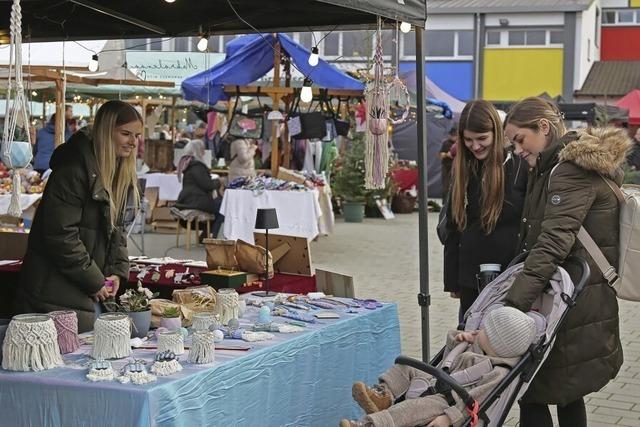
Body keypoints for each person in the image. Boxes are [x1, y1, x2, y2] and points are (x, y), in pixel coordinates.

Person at [503, 97, 627, 427]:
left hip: (568, 301)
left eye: (519, 139)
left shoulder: (567, 172)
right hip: (576, 298)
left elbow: (552, 243)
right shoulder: (555, 167)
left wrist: (513, 304)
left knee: (534, 392)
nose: (517, 150)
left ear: (543, 127)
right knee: (565, 392)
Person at [16, 100, 142, 333]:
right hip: (54, 292)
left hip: (82, 291)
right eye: (126, 134)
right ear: (106, 132)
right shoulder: (73, 170)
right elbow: (61, 235)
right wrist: (94, 281)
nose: (133, 142)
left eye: (137, 135)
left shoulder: (115, 171)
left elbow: (116, 231)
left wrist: (116, 272)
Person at [340, 306, 538, 427]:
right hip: (439, 380)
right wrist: (459, 339)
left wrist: (449, 418)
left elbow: (478, 398)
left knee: (414, 408)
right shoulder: (480, 346)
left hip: (448, 402)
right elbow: (447, 360)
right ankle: (383, 396)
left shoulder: (497, 371)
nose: (480, 330)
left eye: (486, 330)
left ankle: (371, 425)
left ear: (497, 343)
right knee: (406, 367)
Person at [443, 100, 527, 320]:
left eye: (482, 138)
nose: (475, 146)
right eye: (468, 140)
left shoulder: (518, 166)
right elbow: (453, 226)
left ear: (496, 133)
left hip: (510, 277)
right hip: (470, 279)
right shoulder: (463, 169)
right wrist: (453, 280)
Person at [176, 139, 224, 241]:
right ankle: (211, 237)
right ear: (198, 150)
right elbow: (208, 185)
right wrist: (219, 181)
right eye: (202, 149)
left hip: (189, 199)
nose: (204, 152)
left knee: (219, 205)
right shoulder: (197, 166)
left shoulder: (190, 165)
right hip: (195, 201)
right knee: (223, 207)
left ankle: (206, 234)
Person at [33, 105, 73, 174]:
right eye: (71, 111)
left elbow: (35, 150)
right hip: (54, 167)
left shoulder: (41, 132)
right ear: (63, 123)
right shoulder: (66, 135)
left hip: (38, 165)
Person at [439, 126, 457, 196]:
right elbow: (440, 155)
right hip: (446, 167)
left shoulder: (460, 144)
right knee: (446, 186)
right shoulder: (446, 143)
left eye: (455, 135)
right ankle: (445, 203)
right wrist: (447, 154)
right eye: (452, 135)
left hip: (456, 167)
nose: (453, 137)